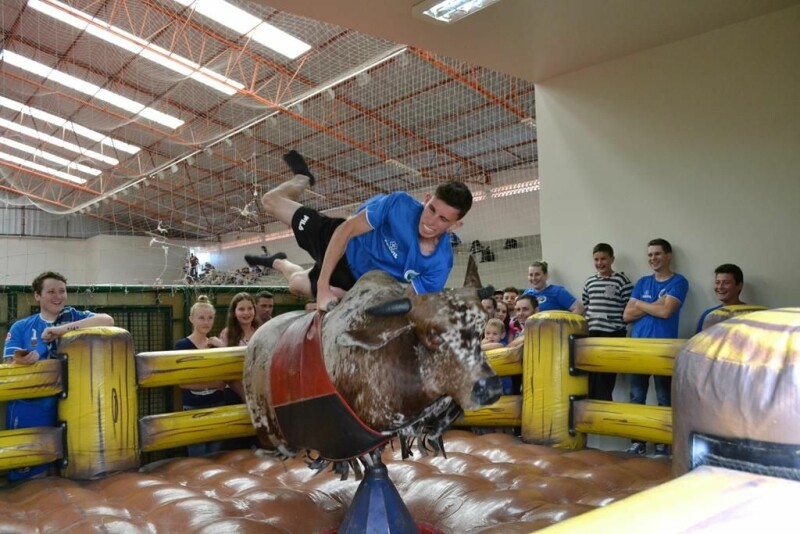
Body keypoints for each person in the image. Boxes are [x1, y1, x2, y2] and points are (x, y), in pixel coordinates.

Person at [245, 150, 473, 311]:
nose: (430, 221)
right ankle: (302, 178)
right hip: (340, 241)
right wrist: (323, 288)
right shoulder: (399, 205)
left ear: (454, 226)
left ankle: (278, 262)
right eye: (431, 209)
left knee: (295, 284)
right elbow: (346, 231)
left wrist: (354, 300)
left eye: (443, 219)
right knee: (270, 201)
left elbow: (410, 302)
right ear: (426, 199)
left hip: (358, 280)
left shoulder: (440, 263)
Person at [2, 271, 114, 480]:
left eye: (62, 291)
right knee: (31, 470)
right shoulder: (22, 326)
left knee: (70, 465)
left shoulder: (73, 317)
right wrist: (23, 359)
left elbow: (107, 321)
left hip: (74, 402)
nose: (58, 296)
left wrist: (61, 329)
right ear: (37, 296)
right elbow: (9, 360)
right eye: (51, 291)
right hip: (32, 404)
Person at [623, 238, 689, 457]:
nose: (653, 258)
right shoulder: (642, 282)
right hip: (637, 347)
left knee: (664, 397)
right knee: (636, 397)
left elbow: (666, 312)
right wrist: (652, 305)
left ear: (668, 255)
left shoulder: (679, 282)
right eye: (650, 255)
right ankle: (638, 442)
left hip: (663, 348)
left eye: (657, 254)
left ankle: (663, 443)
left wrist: (640, 304)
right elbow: (626, 315)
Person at [175, 295, 226, 457]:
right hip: (194, 405)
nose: (206, 322)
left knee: (216, 454)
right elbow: (183, 383)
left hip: (216, 403)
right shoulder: (182, 345)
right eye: (201, 318)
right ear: (191, 319)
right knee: (198, 455)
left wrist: (222, 348)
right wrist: (214, 384)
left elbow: (225, 375)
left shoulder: (215, 344)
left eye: (210, 318)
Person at [581, 243, 633, 401]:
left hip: (612, 335)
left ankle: (603, 411)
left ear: (612, 259)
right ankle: (590, 412)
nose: (600, 263)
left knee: (605, 378)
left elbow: (629, 307)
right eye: (596, 259)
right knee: (590, 376)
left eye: (603, 259)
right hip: (591, 334)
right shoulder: (590, 282)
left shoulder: (621, 280)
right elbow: (586, 304)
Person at [220, 293, 259, 403]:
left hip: (258, 390)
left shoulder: (261, 332)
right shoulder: (227, 334)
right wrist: (245, 396)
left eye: (250, 308)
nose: (246, 313)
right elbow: (227, 372)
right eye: (241, 309)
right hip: (235, 392)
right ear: (234, 313)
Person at [696, 264, 745, 333]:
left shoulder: (751, 313)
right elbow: (698, 342)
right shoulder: (709, 315)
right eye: (717, 282)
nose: (720, 287)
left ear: (739, 286)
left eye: (726, 283)